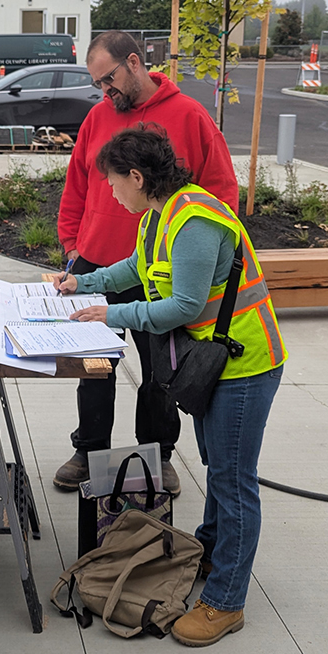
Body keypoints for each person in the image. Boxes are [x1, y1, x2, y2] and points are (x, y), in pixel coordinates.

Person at [53, 124, 286, 646]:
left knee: (232, 480)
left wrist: (110, 313)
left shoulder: (195, 221)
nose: (111, 193)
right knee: (217, 468)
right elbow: (137, 267)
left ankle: (226, 602)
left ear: (137, 177)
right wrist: (82, 282)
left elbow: (182, 305)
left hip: (245, 363)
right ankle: (209, 549)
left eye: (114, 183)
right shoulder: (160, 213)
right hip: (215, 360)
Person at [54, 30, 239, 494]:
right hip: (98, 263)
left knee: (161, 373)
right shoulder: (99, 117)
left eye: (108, 79)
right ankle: (89, 449)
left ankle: (157, 453)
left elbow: (221, 192)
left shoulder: (189, 116)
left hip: (160, 273)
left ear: (134, 63)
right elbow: (78, 182)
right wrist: (72, 246)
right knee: (93, 368)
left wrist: (201, 260)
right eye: (97, 83)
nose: (104, 91)